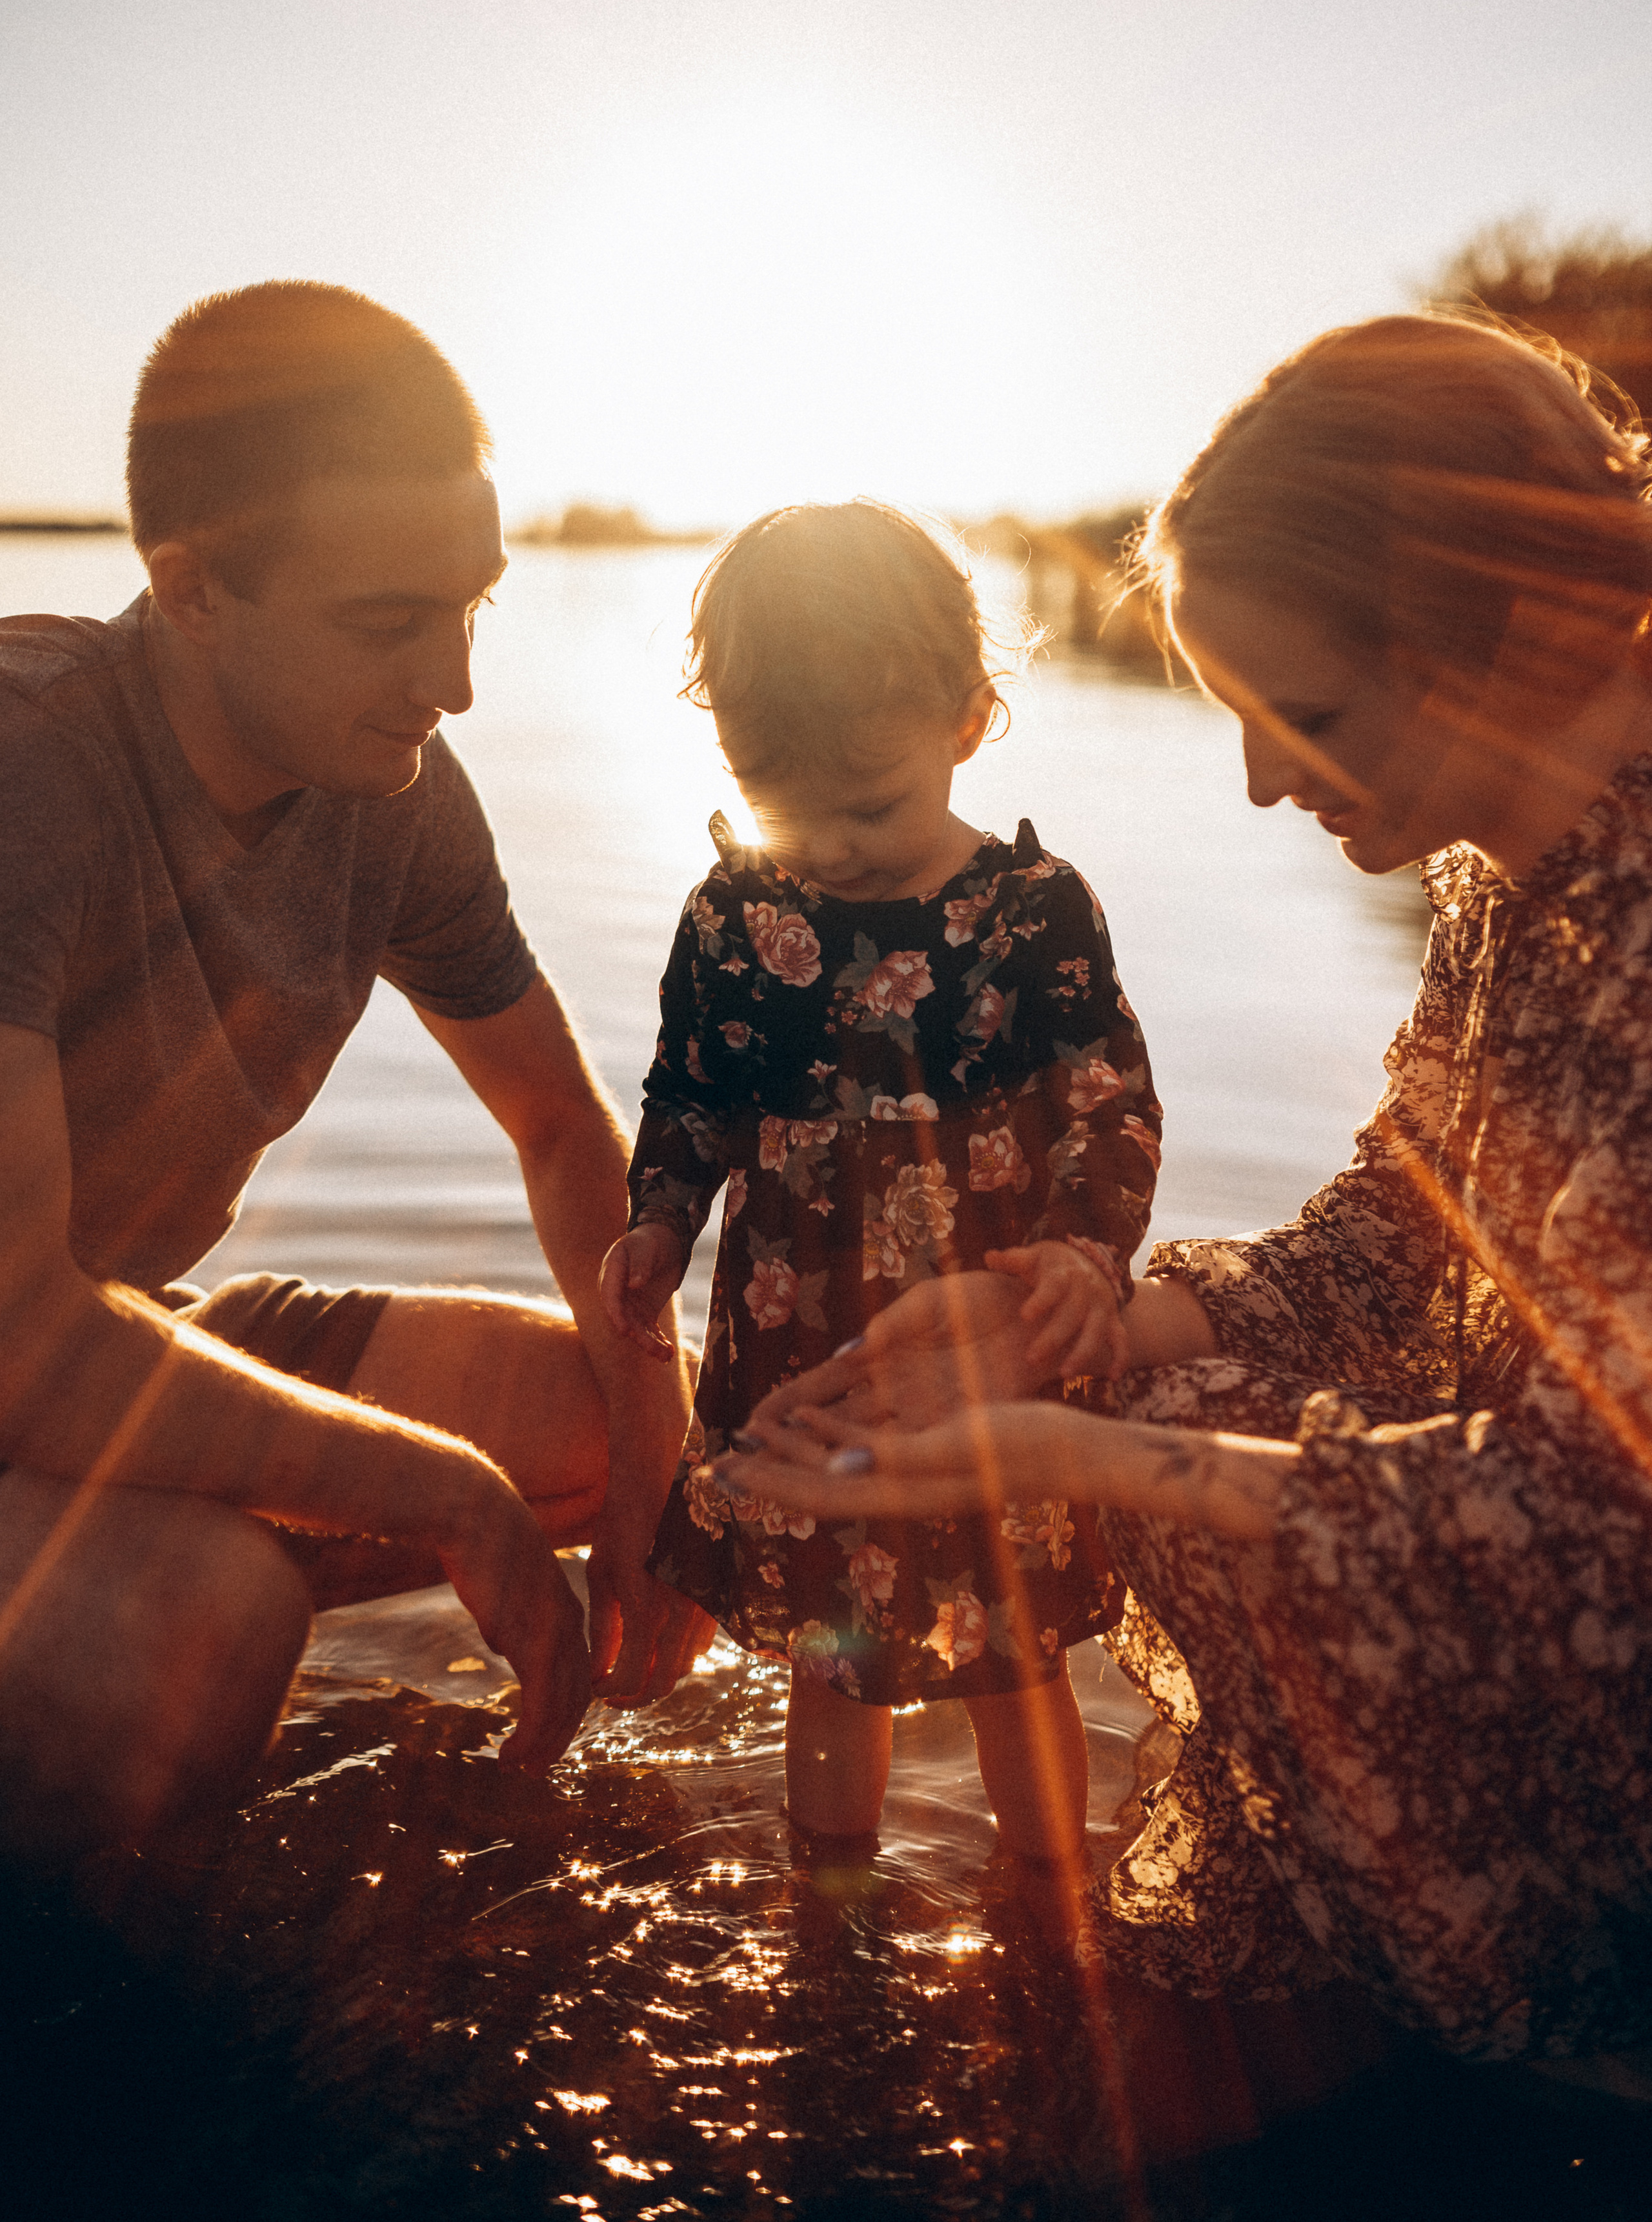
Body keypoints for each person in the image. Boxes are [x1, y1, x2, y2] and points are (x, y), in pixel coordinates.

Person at [718, 317, 1652, 2068]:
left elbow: (1592, 1532)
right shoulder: (1503, 873)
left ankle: (1555, 1987)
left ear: (1510, 630)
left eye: (1311, 716)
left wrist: (1061, 1451)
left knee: (1154, 1441)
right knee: (1142, 1392)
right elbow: (1394, 1234)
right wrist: (1062, 1325)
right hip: (1560, 1568)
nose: (1262, 781)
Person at [0, 280, 707, 1874]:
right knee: (208, 1623)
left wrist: (654, 1463)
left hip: (107, 1337)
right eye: (389, 624)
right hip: (27, 1354)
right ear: (191, 589)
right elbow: (23, 1342)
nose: (453, 683)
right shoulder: (27, 767)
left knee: (627, 1429)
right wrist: (441, 1497)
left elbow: (554, 1123)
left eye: (474, 607)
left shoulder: (394, 789)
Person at [598, 501, 1161, 1910]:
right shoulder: (731, 914)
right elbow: (692, 1090)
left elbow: (1105, 1101)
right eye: (784, 806)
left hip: (986, 1345)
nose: (830, 849)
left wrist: (1085, 1252)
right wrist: (660, 1215)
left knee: (1015, 1646)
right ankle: (830, 1917)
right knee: (831, 1648)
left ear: (970, 720)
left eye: (868, 808)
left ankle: (1052, 1899)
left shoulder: (1033, 911)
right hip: (802, 1344)